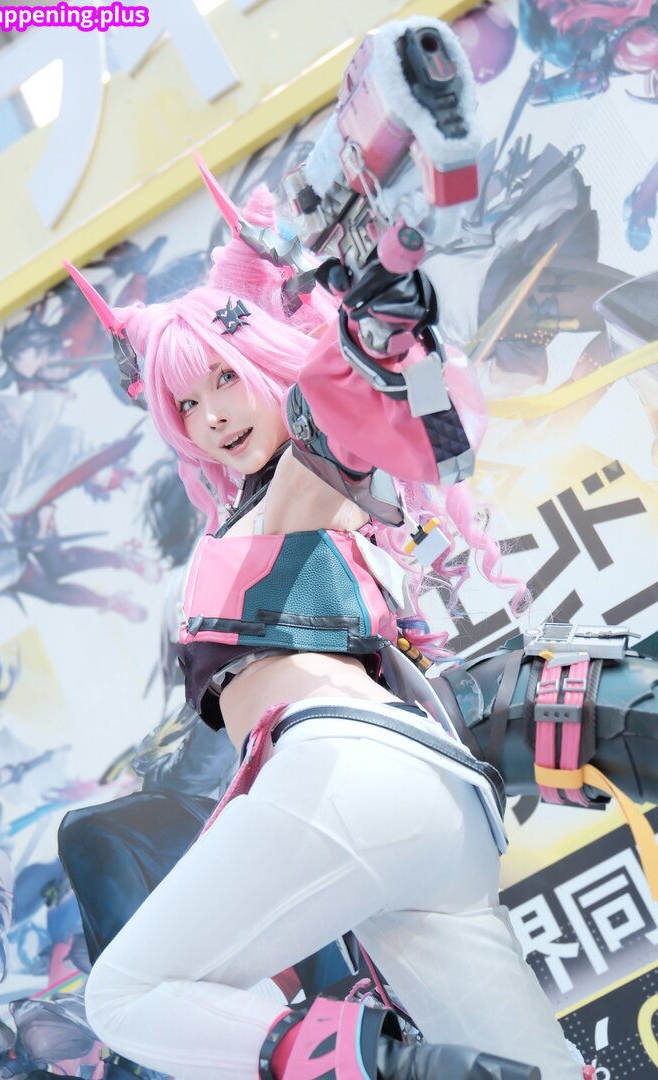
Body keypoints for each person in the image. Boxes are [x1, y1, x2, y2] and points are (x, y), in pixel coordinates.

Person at [65, 181, 585, 1080]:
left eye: (225, 378)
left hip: (344, 777)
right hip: (432, 816)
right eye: (185, 404)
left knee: (124, 995)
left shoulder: (296, 485)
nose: (212, 416)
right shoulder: (277, 505)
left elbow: (377, 420)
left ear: (264, 361)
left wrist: (387, 315)